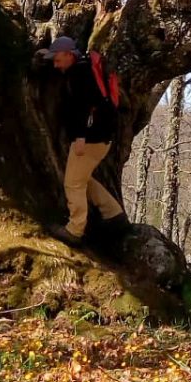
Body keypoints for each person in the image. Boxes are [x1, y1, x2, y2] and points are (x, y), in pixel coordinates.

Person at [41, 36, 129, 246]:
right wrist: (44, 55)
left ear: (69, 55)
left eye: (57, 59)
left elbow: (84, 108)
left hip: (90, 139)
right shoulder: (82, 67)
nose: (55, 64)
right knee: (83, 178)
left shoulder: (81, 75)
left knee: (73, 183)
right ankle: (114, 215)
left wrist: (81, 136)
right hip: (101, 138)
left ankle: (75, 230)